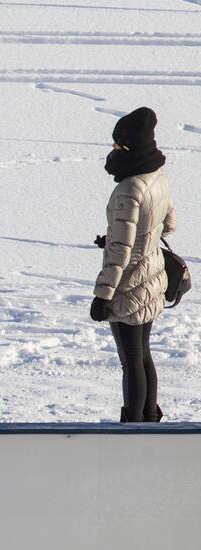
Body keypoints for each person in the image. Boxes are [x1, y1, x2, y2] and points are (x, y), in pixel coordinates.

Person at [90, 107, 176, 422]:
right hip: (153, 274)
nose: (114, 150)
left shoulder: (128, 189)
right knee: (143, 354)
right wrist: (135, 237)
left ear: (132, 147)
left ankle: (133, 428)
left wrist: (103, 296)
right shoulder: (158, 175)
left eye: (119, 146)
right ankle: (150, 420)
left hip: (129, 282)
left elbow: (121, 251)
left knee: (130, 359)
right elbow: (168, 223)